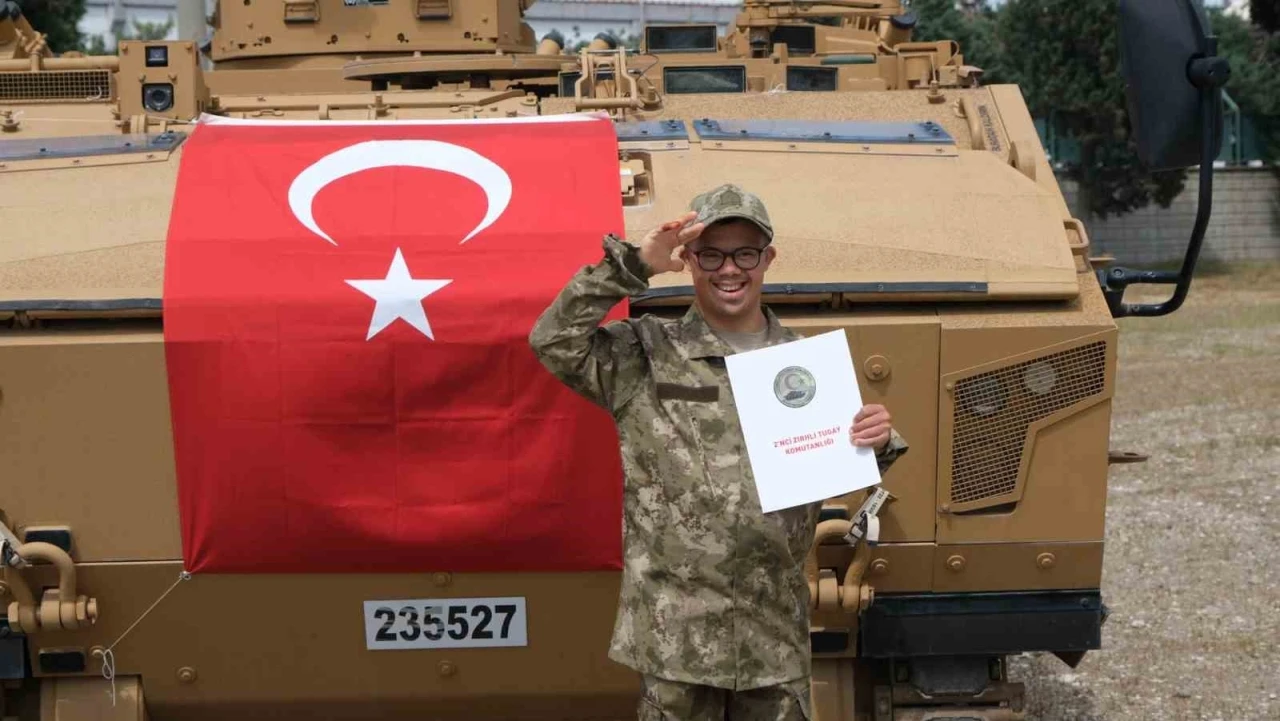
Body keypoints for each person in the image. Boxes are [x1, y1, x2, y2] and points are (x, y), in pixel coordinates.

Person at [529, 184, 908, 720]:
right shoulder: (645, 354)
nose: (729, 269)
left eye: (745, 254)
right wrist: (632, 265)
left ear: (767, 259)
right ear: (688, 260)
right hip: (675, 640)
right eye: (711, 254)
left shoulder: (803, 368)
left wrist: (875, 440)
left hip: (772, 636)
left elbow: (835, 464)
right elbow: (552, 340)